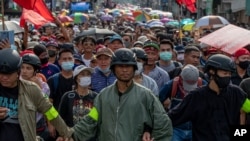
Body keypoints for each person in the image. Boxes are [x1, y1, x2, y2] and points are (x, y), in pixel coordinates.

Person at [57, 48, 173, 141]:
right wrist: (70, 135)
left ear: (134, 69)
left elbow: (163, 124)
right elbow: (90, 121)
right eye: (120, 66)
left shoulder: (146, 95)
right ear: (113, 69)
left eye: (128, 66)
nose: (124, 70)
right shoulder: (103, 96)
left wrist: (153, 135)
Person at [168, 54, 250, 141]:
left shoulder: (236, 93)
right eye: (224, 73)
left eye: (229, 74)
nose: (228, 77)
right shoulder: (196, 96)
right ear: (212, 71)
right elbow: (173, 117)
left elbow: (248, 108)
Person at [0, 48, 73, 141]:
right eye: (1, 73)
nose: (4, 78)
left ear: (18, 72)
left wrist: (66, 133)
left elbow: (50, 111)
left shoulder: (32, 89)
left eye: (9, 74)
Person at [58, 65, 98, 141]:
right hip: (71, 137)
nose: (86, 77)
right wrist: (62, 135)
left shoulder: (96, 97)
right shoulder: (68, 96)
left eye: (88, 74)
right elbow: (61, 119)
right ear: (76, 78)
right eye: (82, 74)